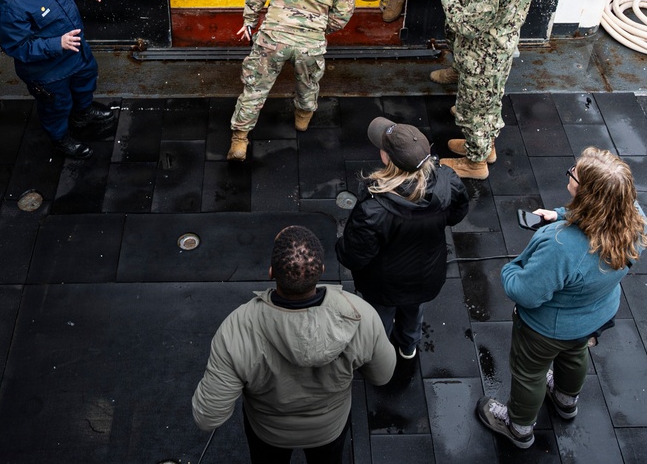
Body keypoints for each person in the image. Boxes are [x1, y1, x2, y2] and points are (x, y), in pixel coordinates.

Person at [476, 147, 645, 449]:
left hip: (547, 329)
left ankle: (519, 427)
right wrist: (561, 214)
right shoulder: (634, 219)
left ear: (587, 195)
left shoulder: (562, 245)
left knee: (529, 374)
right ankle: (566, 400)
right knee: (575, 354)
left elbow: (525, 293)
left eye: (574, 175)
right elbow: (605, 214)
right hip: (595, 316)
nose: (570, 175)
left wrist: (510, 269)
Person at [192, 226, 395, 463]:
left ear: (271, 272)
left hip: (268, 433)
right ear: (321, 270)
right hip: (329, 429)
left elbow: (207, 418)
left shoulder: (236, 328)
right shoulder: (360, 316)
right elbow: (382, 375)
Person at [227, 0, 356, 160]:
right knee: (308, 86)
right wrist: (317, 28)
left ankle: (239, 141)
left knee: (255, 89)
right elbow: (341, 18)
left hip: (274, 36)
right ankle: (302, 121)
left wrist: (250, 21)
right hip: (310, 44)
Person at [336, 117, 468, 359]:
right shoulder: (447, 180)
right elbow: (456, 214)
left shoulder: (373, 209)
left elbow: (353, 256)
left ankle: (378, 353)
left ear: (386, 158)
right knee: (413, 309)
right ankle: (408, 346)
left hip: (384, 285)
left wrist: (341, 246)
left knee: (379, 317)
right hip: (428, 274)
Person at [428, 0, 541, 180]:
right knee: (490, 100)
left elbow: (465, 25)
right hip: (503, 45)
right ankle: (484, 147)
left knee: (475, 109)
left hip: (482, 55)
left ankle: (475, 162)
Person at [0, 0, 117, 159]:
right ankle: (60, 138)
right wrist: (57, 43)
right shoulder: (10, 4)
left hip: (76, 51)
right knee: (56, 107)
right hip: (48, 71)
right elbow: (17, 47)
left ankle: (83, 113)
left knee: (85, 82)